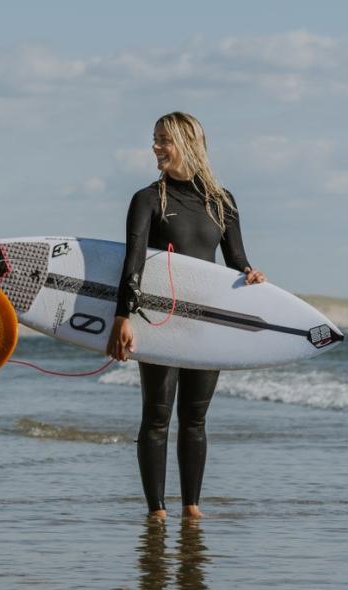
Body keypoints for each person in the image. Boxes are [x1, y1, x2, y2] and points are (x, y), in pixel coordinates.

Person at [106, 112, 266, 521]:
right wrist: (123, 315)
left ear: (188, 143)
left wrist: (250, 275)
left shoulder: (222, 201)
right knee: (157, 416)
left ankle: (192, 507)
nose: (156, 147)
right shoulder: (147, 199)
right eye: (155, 139)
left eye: (164, 140)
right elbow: (134, 260)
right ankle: (157, 510)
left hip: (205, 324)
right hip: (159, 321)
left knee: (195, 418)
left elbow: (236, 260)